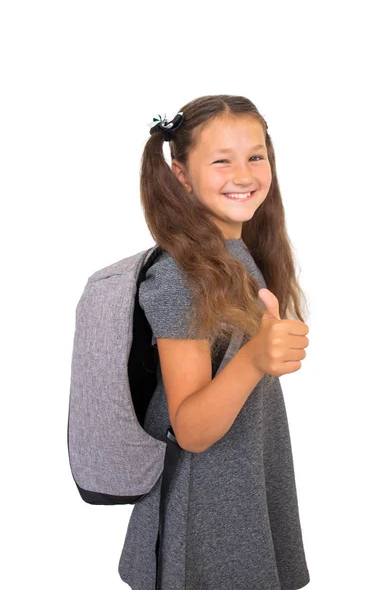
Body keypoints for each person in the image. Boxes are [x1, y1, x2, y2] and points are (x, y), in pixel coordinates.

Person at [118, 94, 311, 590]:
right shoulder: (181, 276)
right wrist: (253, 358)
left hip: (238, 496)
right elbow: (192, 430)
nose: (244, 174)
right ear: (181, 174)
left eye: (256, 155)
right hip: (203, 518)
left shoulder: (234, 253)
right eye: (221, 160)